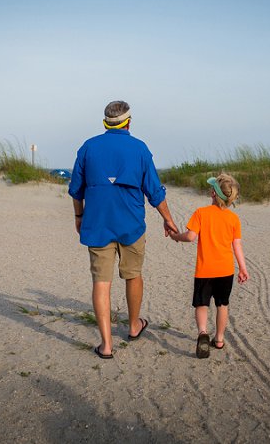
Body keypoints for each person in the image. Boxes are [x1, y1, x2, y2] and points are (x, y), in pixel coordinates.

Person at [69, 100, 178, 359]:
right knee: (133, 275)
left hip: (97, 225)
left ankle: (106, 345)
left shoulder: (88, 147)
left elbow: (76, 189)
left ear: (105, 122)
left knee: (101, 282)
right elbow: (154, 191)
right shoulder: (140, 149)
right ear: (128, 121)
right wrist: (168, 219)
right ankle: (133, 326)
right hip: (131, 225)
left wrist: (78, 215)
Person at [170, 173, 249, 359]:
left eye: (211, 187)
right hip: (226, 271)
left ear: (214, 193)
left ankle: (203, 333)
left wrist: (175, 237)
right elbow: (236, 245)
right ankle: (219, 339)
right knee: (222, 304)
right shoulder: (233, 219)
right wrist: (243, 268)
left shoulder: (201, 213)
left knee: (202, 304)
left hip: (205, 270)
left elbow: (190, 237)